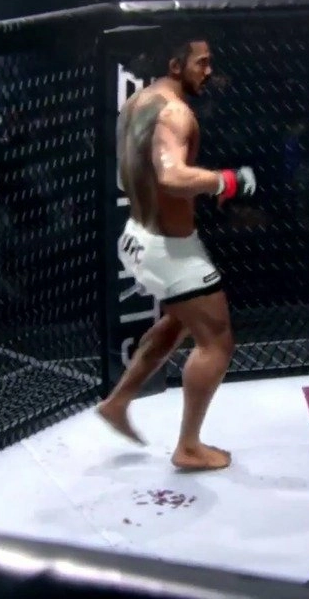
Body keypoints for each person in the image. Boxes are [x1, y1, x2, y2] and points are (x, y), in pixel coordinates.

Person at [96, 33, 256, 472]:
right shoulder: (175, 112)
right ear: (174, 65)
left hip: (138, 235)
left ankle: (118, 402)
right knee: (217, 341)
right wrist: (225, 181)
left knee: (178, 321)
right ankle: (188, 446)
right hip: (170, 251)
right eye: (201, 62)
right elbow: (170, 177)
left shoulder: (136, 103)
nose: (209, 71)